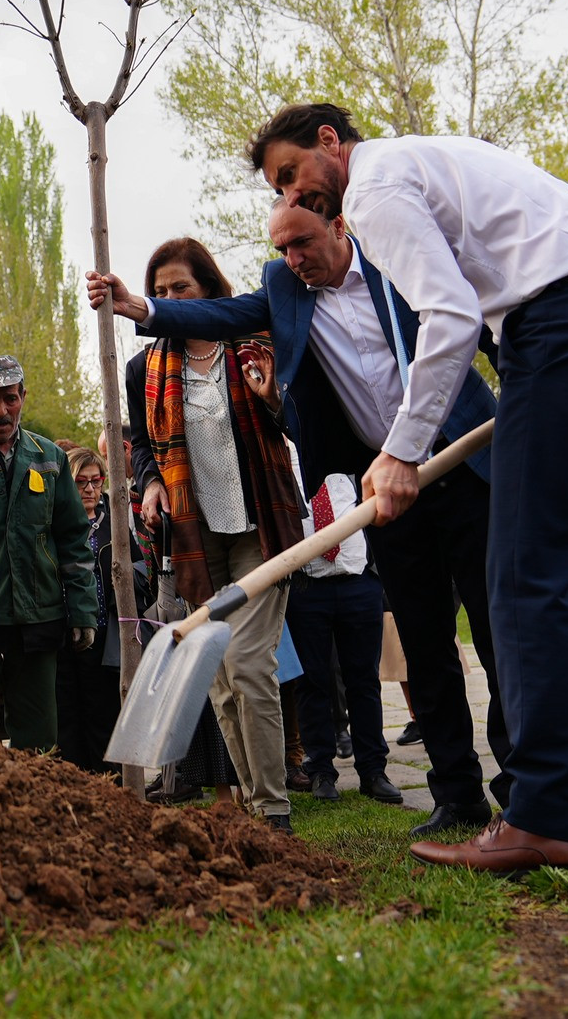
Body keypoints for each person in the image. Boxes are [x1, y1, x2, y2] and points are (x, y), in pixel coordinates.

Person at [251, 101, 568, 872]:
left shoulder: (373, 190)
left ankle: (543, 813)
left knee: (523, 576)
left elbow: (446, 316)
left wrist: (403, 449)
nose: (292, 197)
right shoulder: (430, 157)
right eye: (278, 191)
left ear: (328, 142)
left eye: (291, 175)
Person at [91, 200, 507, 837]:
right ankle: (457, 795)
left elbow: (473, 319)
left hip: (456, 466)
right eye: (281, 249)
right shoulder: (281, 293)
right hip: (374, 494)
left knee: (497, 633)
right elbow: (218, 328)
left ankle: (525, 786)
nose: (291, 260)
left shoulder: (397, 264)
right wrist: (141, 310)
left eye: (301, 243)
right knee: (423, 645)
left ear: (340, 227)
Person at [116, 240, 306, 829]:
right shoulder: (144, 370)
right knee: (219, 679)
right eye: (162, 291)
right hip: (196, 536)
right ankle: (250, 804)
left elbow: (297, 422)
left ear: (210, 290)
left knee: (249, 665)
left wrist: (274, 398)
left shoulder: (252, 345)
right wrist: (149, 484)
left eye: (183, 289)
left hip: (259, 527)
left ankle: (273, 810)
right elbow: (144, 446)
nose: (171, 299)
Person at [0, 355, 96, 753]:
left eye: (9, 398)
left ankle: (36, 814)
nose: (0, 410)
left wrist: (82, 610)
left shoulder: (50, 459)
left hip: (37, 619)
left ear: (22, 397)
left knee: (39, 744)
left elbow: (74, 541)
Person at [289, 476, 402, 805]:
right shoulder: (286, 454)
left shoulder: (354, 460)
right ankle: (321, 768)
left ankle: (372, 771)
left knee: (364, 680)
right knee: (312, 681)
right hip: (306, 585)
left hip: (360, 583)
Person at [55, 446, 154, 773]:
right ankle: (74, 783)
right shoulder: (56, 522)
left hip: (105, 633)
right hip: (63, 630)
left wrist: (123, 580)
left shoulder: (114, 522)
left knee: (103, 712)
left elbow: (142, 571)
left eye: (96, 481)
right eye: (81, 482)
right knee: (66, 714)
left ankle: (109, 784)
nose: (90, 489)